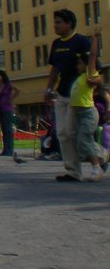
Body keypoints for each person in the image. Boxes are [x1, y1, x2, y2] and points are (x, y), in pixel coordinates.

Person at [45, 10, 97, 182]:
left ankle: (101, 156)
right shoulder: (56, 44)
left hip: (78, 96)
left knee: (73, 132)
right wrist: (48, 89)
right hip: (62, 93)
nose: (55, 25)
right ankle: (73, 172)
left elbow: (93, 65)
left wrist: (94, 86)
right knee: (62, 133)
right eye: (55, 22)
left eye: (59, 22)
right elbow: (54, 69)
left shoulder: (82, 41)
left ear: (69, 23)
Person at [68, 49, 108, 181]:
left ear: (86, 66)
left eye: (80, 63)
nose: (77, 66)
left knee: (84, 141)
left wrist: (95, 38)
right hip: (79, 114)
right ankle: (103, 155)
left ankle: (97, 169)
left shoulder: (88, 76)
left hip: (88, 114)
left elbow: (92, 57)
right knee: (84, 141)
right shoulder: (79, 78)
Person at [0, 69, 21, 156]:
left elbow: (18, 90)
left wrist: (11, 99)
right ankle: (5, 150)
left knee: (8, 130)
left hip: (7, 109)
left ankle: (9, 150)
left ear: (2, 76)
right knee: (4, 130)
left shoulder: (8, 85)